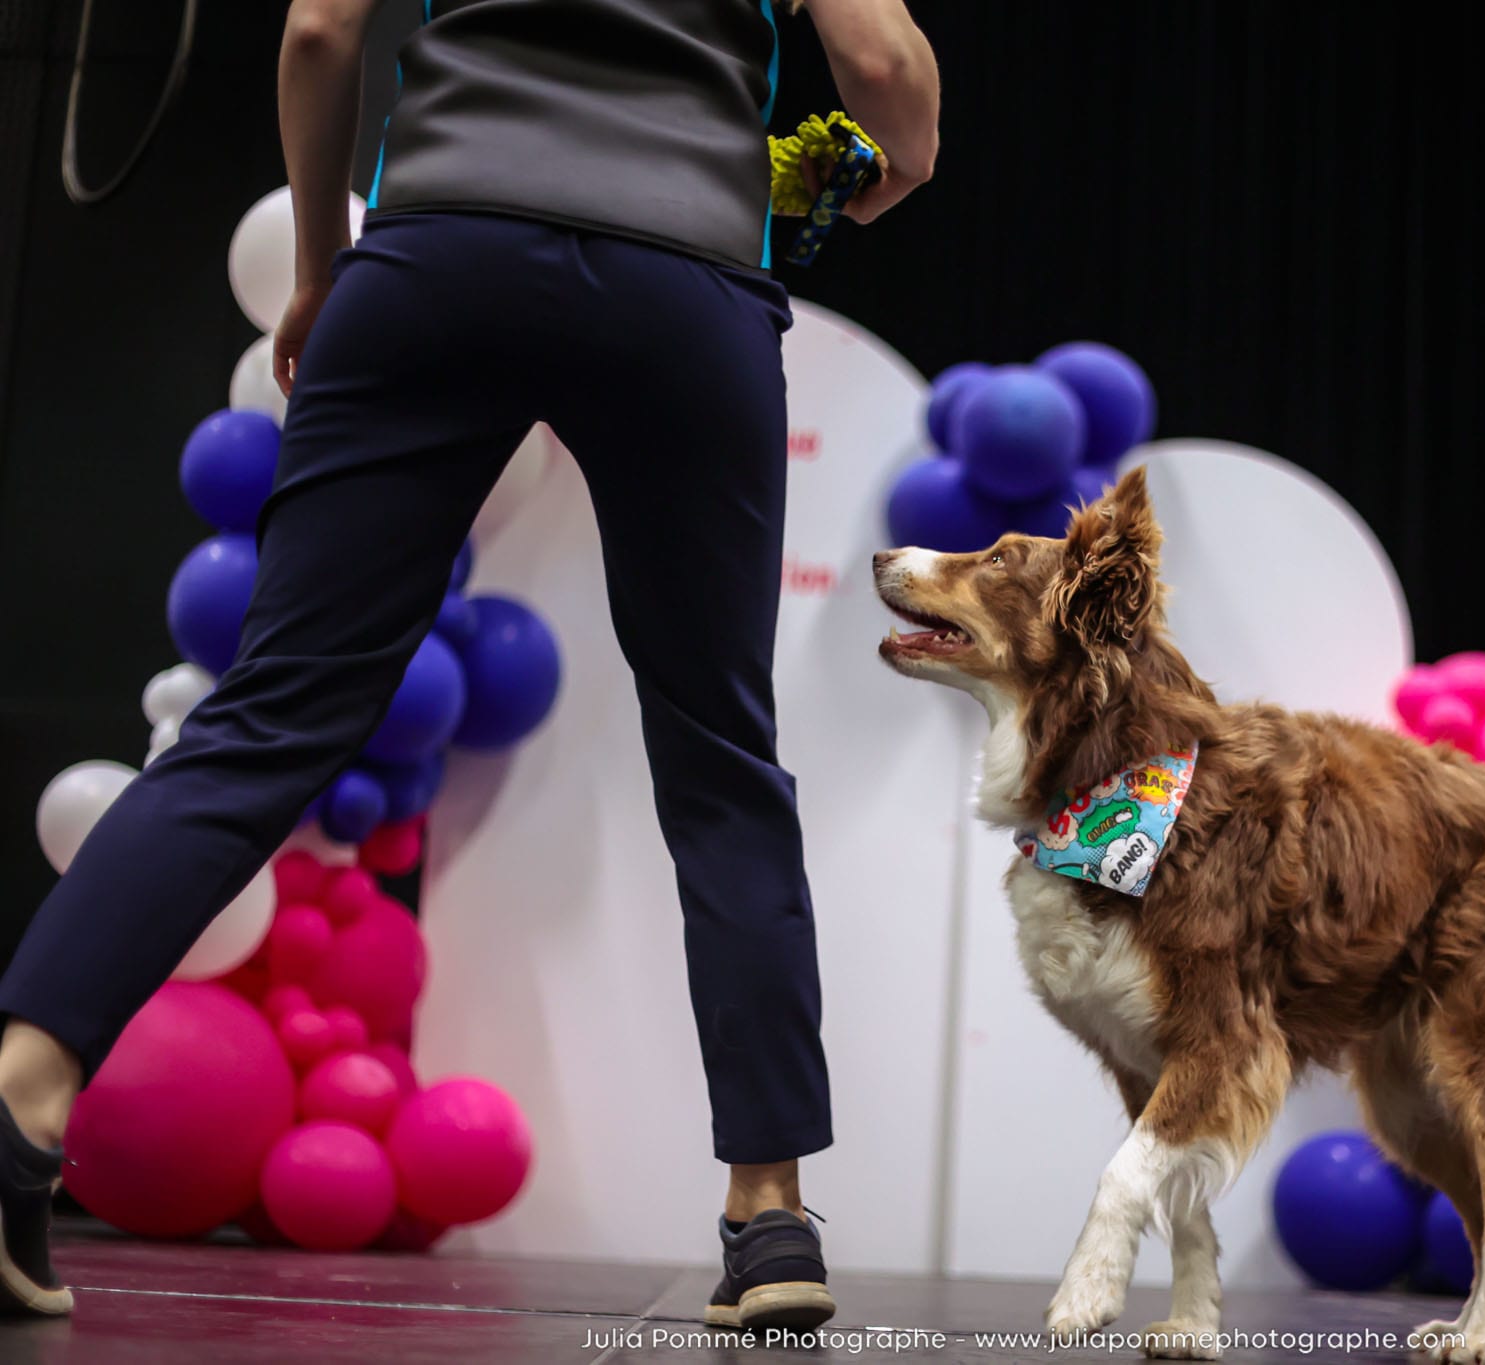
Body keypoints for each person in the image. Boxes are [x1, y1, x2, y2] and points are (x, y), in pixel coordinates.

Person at [0, 0, 938, 1327]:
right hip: (683, 281)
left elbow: (320, 31)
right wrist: (874, 167)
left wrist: (324, 266)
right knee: (721, 761)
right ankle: (771, 1214)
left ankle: (22, 1094)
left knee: (273, 712)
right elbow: (888, 70)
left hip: (442, 251)